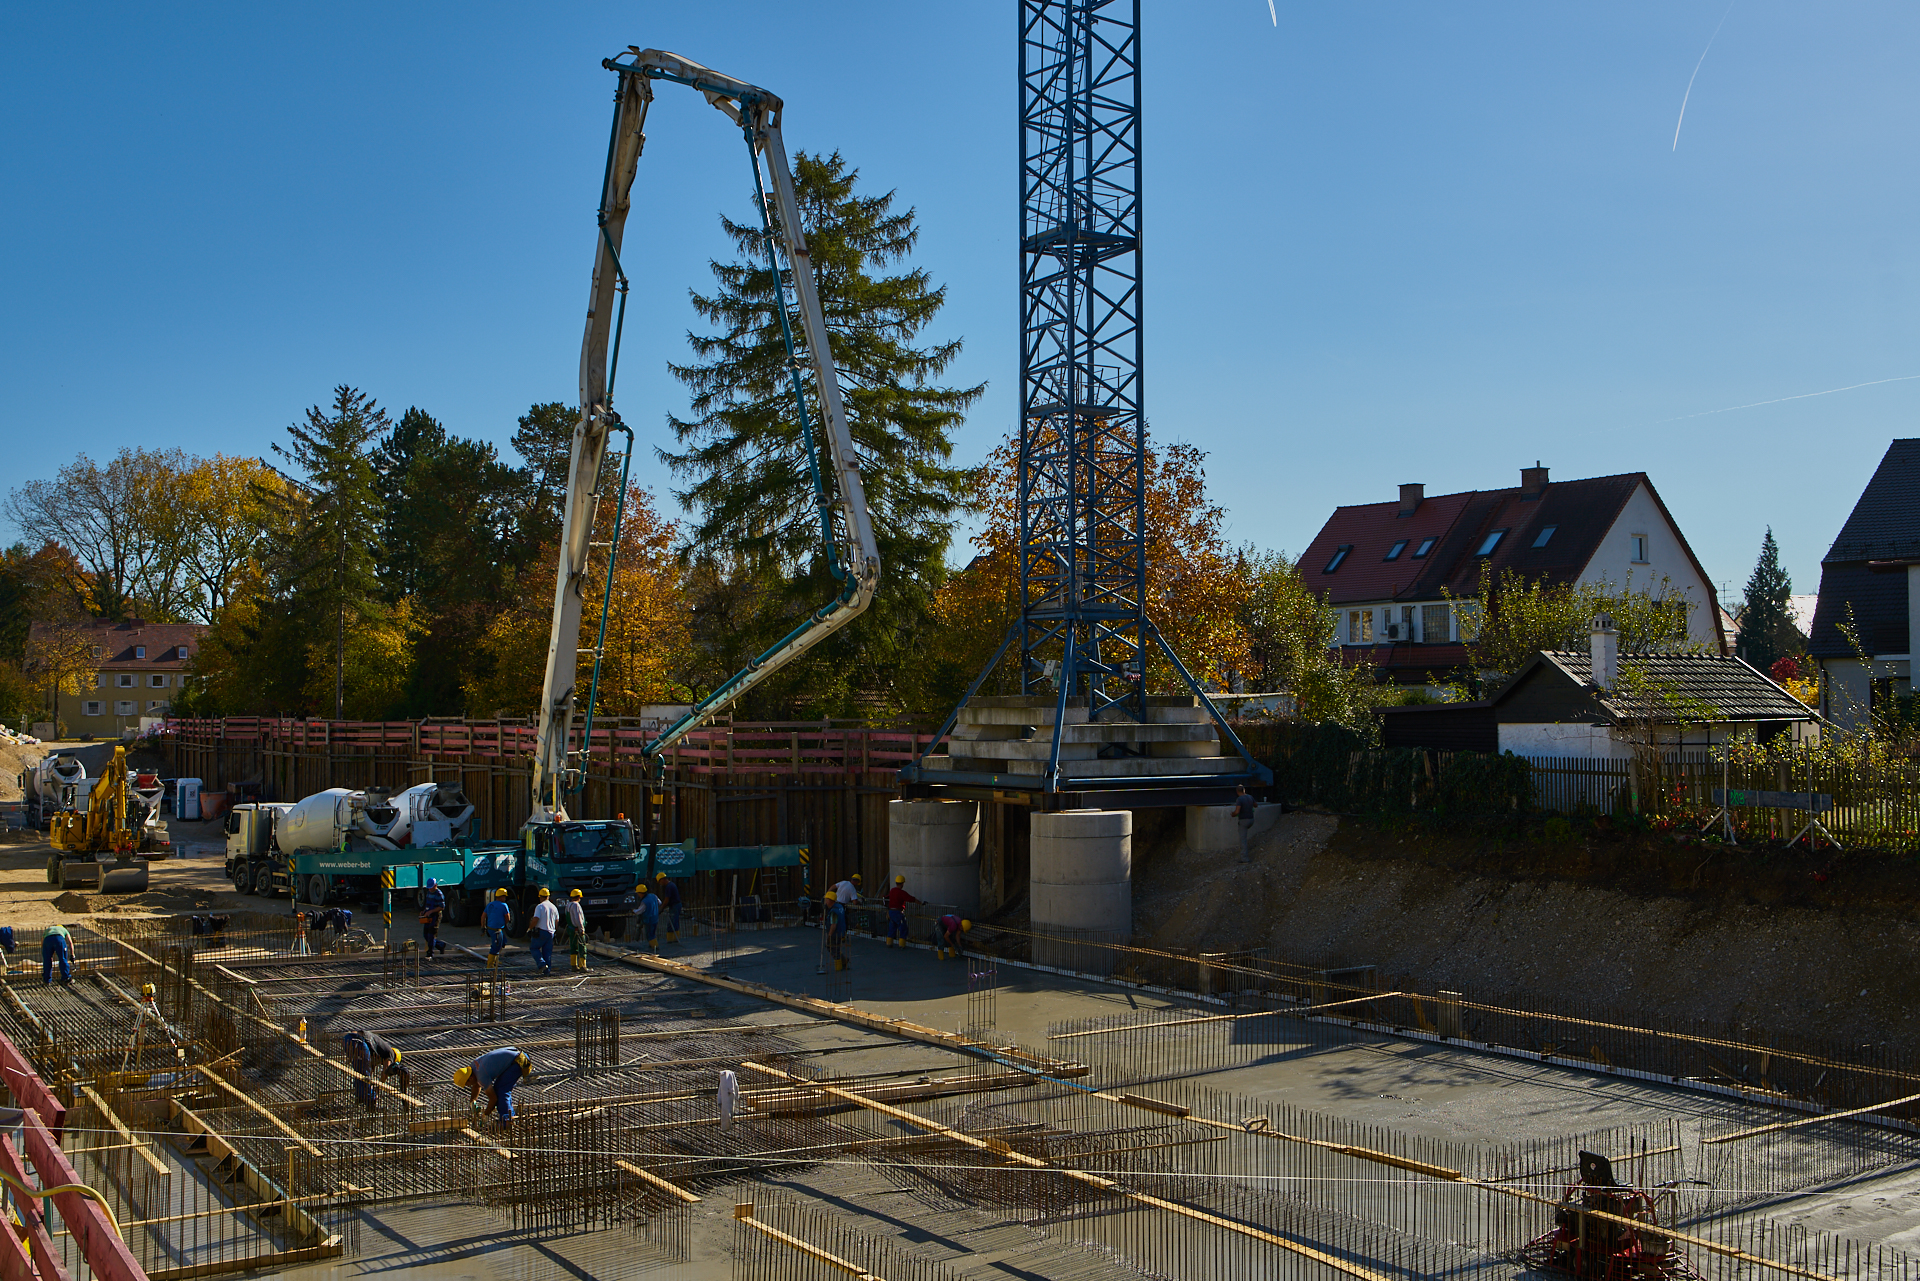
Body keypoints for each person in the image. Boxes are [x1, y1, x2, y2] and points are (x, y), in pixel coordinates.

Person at [455, 1047, 533, 1131]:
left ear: (470, 1079)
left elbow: (493, 1098)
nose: (468, 1086)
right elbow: (476, 1085)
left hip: (518, 1062)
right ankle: (509, 1116)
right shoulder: (473, 1067)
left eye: (467, 1084)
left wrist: (486, 1114)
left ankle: (506, 1122)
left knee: (501, 1090)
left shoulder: (481, 1076)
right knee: (501, 1088)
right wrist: (472, 1101)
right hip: (516, 1057)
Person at [342, 1030, 410, 1108]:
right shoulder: (390, 1053)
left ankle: (360, 1097)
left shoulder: (377, 1052)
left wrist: (370, 1082)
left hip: (348, 1039)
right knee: (363, 1075)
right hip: (360, 1041)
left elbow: (370, 1069)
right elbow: (385, 1072)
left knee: (360, 1074)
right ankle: (370, 1102)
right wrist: (378, 1089)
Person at [529, 887, 558, 975]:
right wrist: (554, 931)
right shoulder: (554, 907)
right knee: (547, 952)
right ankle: (547, 971)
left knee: (534, 948)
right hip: (551, 933)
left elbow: (535, 919)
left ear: (540, 897)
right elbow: (557, 921)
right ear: (548, 896)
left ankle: (541, 964)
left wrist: (530, 928)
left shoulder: (540, 906)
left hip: (541, 932)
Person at [884, 875, 919, 948]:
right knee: (903, 927)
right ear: (902, 883)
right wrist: (921, 903)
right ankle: (902, 944)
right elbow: (911, 899)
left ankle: (889, 943)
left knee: (892, 927)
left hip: (891, 912)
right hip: (898, 912)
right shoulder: (902, 893)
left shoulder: (892, 890)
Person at [419, 878, 448, 960]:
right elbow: (427, 904)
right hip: (428, 915)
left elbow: (441, 907)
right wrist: (424, 911)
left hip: (435, 916)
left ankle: (430, 952)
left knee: (431, 934)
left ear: (435, 886)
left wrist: (431, 911)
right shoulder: (429, 892)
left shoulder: (439, 894)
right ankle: (440, 945)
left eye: (431, 887)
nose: (429, 889)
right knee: (426, 934)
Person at [482, 888, 512, 968]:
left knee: (503, 941)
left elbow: (483, 916)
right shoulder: (504, 905)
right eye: (504, 897)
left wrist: (483, 927)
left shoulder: (490, 904)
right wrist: (504, 923)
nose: (505, 898)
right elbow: (508, 918)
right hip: (496, 930)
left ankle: (495, 960)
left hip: (490, 929)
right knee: (495, 947)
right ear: (501, 897)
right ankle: (490, 966)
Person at [563, 888, 589, 972]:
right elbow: (578, 919)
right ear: (578, 897)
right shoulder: (576, 905)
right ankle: (583, 966)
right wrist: (581, 929)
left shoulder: (568, 905)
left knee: (573, 946)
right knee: (582, 947)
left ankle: (574, 965)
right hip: (577, 929)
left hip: (571, 929)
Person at [1231, 784, 1258, 863]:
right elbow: (1256, 805)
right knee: (1244, 837)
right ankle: (1245, 856)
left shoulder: (1239, 799)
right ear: (1244, 790)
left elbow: (1237, 811)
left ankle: (1244, 858)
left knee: (1243, 840)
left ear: (1237, 791)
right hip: (1251, 819)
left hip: (1243, 820)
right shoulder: (1250, 797)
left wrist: (1233, 814)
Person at [823, 889, 848, 970]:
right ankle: (843, 960)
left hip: (835, 933)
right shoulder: (839, 907)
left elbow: (833, 925)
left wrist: (829, 935)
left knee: (832, 947)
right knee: (835, 948)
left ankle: (839, 965)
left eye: (826, 899)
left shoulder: (833, 912)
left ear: (830, 900)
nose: (825, 901)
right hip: (841, 931)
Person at [655, 873, 681, 944]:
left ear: (662, 880)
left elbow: (667, 899)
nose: (660, 884)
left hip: (675, 905)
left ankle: (673, 940)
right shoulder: (671, 885)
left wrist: (662, 908)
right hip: (675, 905)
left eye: (660, 882)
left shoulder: (669, 887)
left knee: (673, 922)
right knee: (673, 922)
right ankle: (672, 939)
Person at [636, 882, 661, 954]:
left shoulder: (644, 901)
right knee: (653, 932)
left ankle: (655, 947)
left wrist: (633, 910)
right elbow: (660, 903)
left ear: (641, 893)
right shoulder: (653, 896)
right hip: (655, 918)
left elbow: (639, 911)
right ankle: (652, 946)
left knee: (649, 934)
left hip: (648, 919)